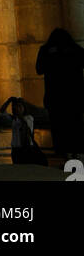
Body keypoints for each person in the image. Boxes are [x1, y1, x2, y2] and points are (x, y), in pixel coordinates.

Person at [36, 27, 84, 160]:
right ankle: (76, 153)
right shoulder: (74, 50)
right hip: (73, 97)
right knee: (74, 126)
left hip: (58, 97)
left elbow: (39, 69)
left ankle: (67, 154)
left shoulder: (49, 51)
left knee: (61, 127)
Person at [0, 96, 47, 165]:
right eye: (16, 107)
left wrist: (19, 111)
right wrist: (8, 101)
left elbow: (25, 124)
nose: (17, 109)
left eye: (20, 107)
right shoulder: (14, 119)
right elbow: (1, 111)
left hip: (27, 148)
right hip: (16, 148)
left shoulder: (29, 118)